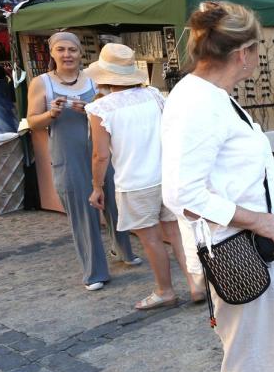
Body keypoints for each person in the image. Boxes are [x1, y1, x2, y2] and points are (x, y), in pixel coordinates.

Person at [161, 1, 274, 372]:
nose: (258, 55)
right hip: (236, 246)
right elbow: (181, 192)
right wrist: (255, 220)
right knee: (251, 348)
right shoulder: (195, 101)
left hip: (261, 241)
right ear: (242, 53)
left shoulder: (215, 95)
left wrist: (268, 223)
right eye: (257, 47)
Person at [84, 43, 205, 309]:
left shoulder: (100, 109)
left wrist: (96, 186)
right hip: (166, 174)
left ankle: (165, 290)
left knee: (151, 239)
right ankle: (195, 283)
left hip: (134, 183)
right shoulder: (153, 95)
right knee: (176, 233)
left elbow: (100, 155)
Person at [26, 32, 137, 291]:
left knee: (114, 201)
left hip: (101, 149)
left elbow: (113, 109)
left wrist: (88, 108)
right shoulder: (41, 83)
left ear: (80, 53)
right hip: (67, 154)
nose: (67, 55)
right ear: (52, 53)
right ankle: (95, 271)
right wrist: (50, 114)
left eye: (72, 50)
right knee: (82, 212)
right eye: (61, 49)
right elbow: (32, 121)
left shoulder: (94, 78)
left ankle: (123, 251)